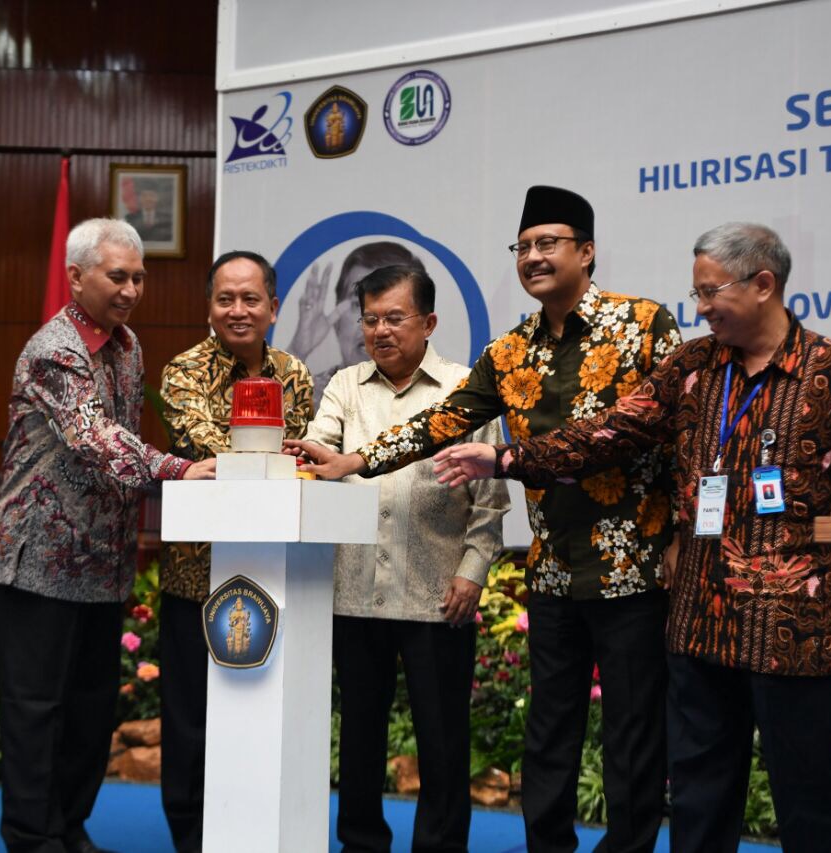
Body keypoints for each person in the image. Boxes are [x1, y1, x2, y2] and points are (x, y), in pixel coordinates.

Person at [432, 222, 831, 853]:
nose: (701, 308)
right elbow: (609, 433)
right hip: (700, 616)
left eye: (712, 293)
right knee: (700, 793)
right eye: (698, 293)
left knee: (810, 790)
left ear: (763, 284)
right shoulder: (693, 368)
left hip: (796, 622)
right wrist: (509, 460)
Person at [289, 186, 682, 853]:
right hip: (554, 567)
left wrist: (677, 533)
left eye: (547, 243)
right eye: (523, 246)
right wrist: (355, 457)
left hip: (633, 566)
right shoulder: (507, 353)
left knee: (633, 733)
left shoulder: (644, 324)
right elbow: (438, 421)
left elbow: (670, 430)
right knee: (549, 735)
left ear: (586, 251)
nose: (533, 256)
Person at [0, 218, 216, 853]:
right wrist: (179, 469)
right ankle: (32, 839)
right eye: (118, 276)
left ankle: (69, 830)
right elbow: (97, 439)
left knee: (89, 710)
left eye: (140, 277)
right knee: (36, 711)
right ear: (77, 276)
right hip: (39, 559)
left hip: (101, 560)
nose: (132, 289)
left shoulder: (127, 345)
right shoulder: (53, 349)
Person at [299, 264, 508, 852]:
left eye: (395, 317)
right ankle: (362, 842)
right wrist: (312, 454)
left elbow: (490, 504)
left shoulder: (465, 392)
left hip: (436, 593)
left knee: (441, 739)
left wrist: (472, 574)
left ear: (429, 322)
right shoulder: (344, 386)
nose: (380, 331)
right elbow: (324, 453)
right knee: (360, 733)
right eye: (370, 319)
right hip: (355, 592)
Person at [157, 249, 313, 853]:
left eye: (251, 299)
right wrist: (269, 461)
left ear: (273, 307)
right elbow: (212, 453)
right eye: (226, 299)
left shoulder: (294, 373)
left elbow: (303, 455)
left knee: (265, 719)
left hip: (278, 576)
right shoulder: (184, 371)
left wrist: (275, 463)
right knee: (192, 722)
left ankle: (261, 833)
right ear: (209, 307)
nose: (238, 310)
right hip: (198, 578)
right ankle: (192, 839)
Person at [289, 241, 426, 406]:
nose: (376, 326)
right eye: (358, 305)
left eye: (393, 308)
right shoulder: (307, 398)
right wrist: (297, 350)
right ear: (337, 321)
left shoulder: (447, 403)